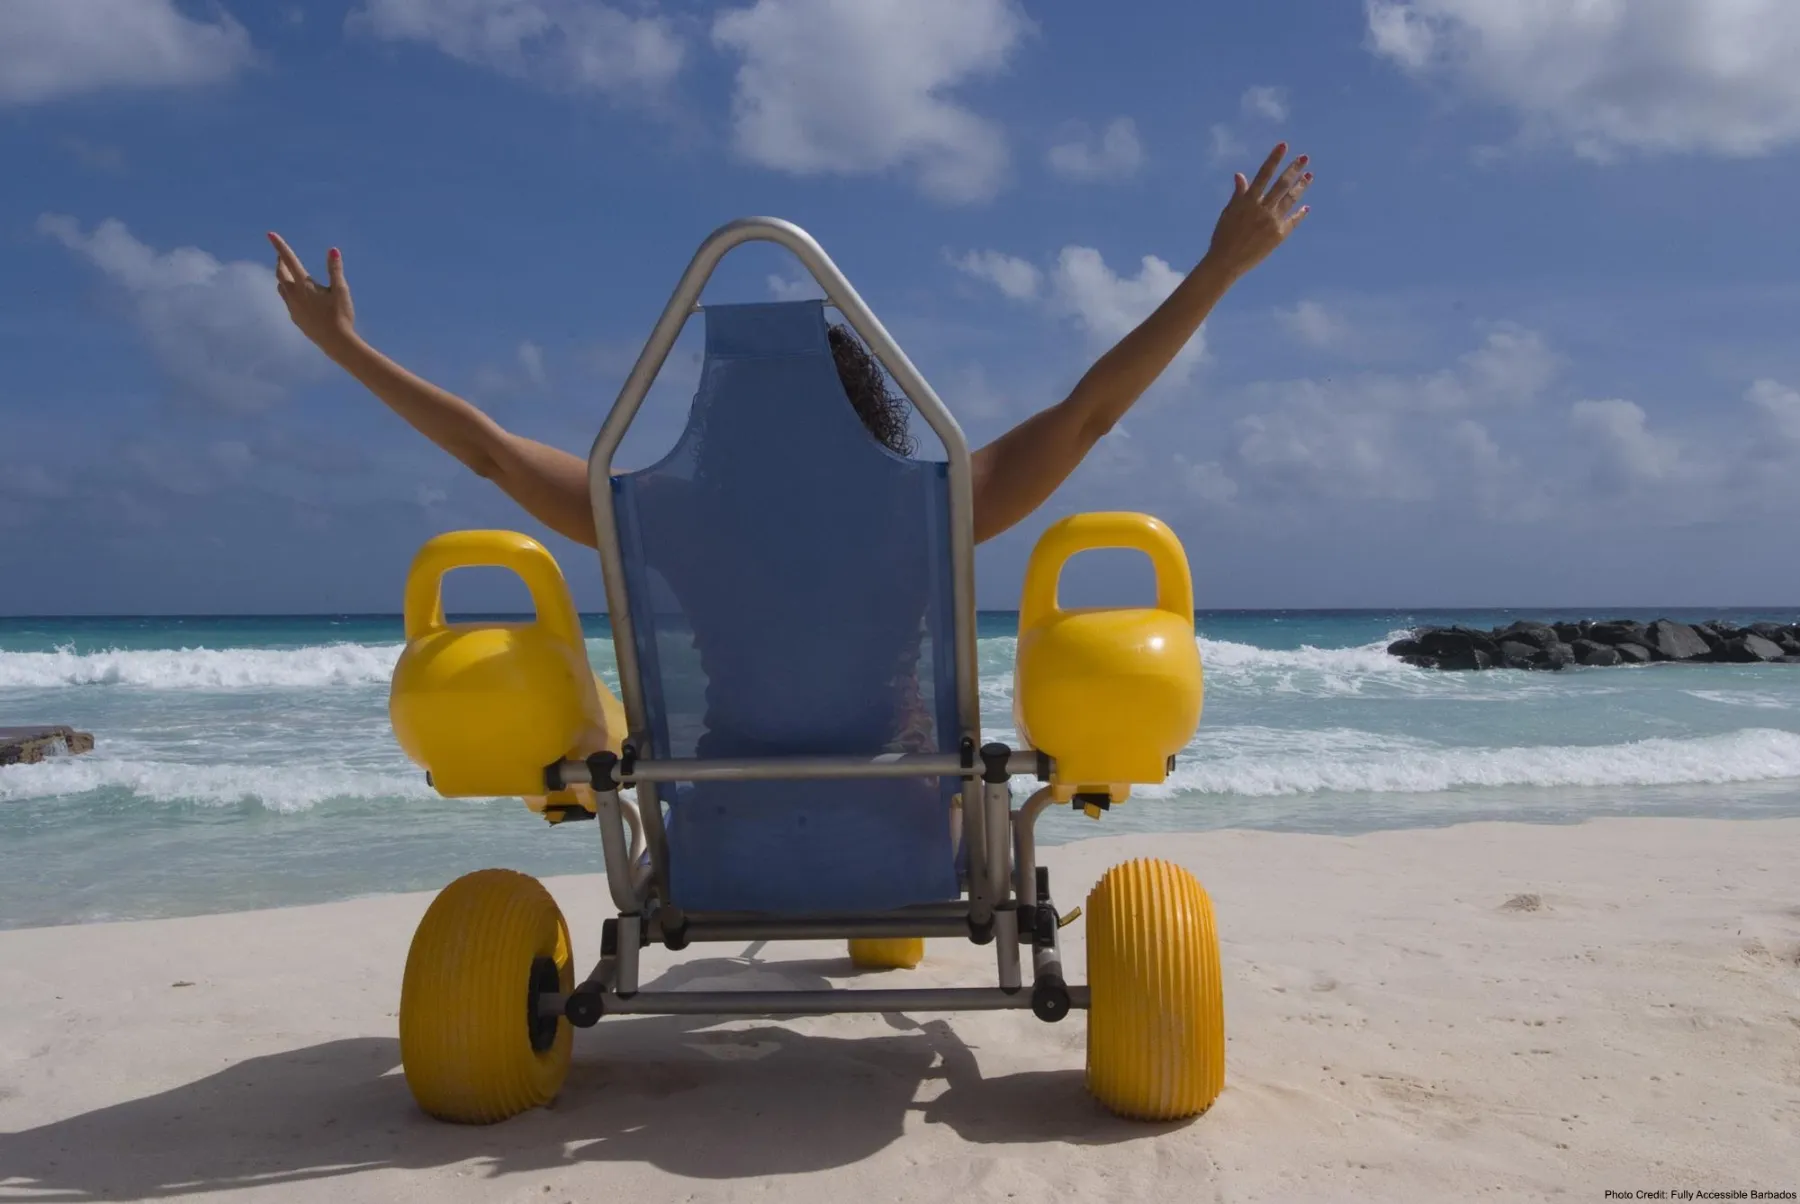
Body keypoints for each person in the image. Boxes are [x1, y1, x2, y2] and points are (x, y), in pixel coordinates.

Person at [267, 144, 1312, 549]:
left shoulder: (664, 523)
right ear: (868, 410)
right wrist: (1218, 268)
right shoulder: (928, 515)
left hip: (715, 827)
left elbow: (489, 451)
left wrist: (344, 349)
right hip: (908, 825)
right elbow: (1092, 412)